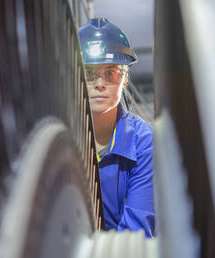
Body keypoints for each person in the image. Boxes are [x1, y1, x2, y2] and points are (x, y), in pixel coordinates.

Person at [78, 17, 155, 237]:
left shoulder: (144, 144)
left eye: (110, 73)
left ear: (125, 79)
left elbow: (134, 237)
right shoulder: (62, 137)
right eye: (90, 73)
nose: (99, 83)